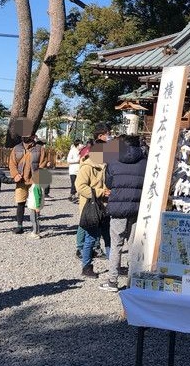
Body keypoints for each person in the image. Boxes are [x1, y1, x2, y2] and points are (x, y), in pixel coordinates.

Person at [99, 134, 148, 292]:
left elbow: (109, 183)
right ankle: (132, 281)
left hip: (118, 208)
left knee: (116, 245)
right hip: (137, 208)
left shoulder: (113, 161)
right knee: (134, 245)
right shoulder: (145, 162)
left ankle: (112, 280)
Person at [74, 124, 110, 259]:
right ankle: (80, 249)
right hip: (89, 201)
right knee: (85, 224)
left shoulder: (105, 165)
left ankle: (94, 248)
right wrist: (100, 192)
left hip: (101, 202)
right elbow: (81, 186)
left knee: (97, 225)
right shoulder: (87, 165)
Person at [8, 132, 47, 234]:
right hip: (21, 181)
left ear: (33, 136)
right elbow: (12, 163)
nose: (25, 137)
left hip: (34, 180)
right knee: (20, 202)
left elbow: (43, 163)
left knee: (34, 203)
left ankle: (35, 227)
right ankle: (19, 226)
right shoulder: (16, 148)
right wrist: (15, 174)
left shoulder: (40, 148)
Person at [66, 139, 82, 204]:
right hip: (73, 170)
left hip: (79, 170)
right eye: (81, 144)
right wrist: (77, 160)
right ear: (77, 145)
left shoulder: (81, 151)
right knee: (74, 183)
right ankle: (72, 196)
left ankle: (76, 196)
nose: (82, 145)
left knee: (78, 183)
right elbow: (68, 160)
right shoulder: (72, 151)